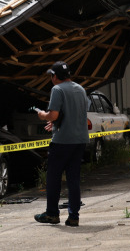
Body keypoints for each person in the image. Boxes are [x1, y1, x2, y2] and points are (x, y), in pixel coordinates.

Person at [34, 61, 89, 227]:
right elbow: (77, 114)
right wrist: (57, 122)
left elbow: (53, 115)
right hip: (80, 140)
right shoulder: (80, 89)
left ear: (55, 76)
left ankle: (52, 214)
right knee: (73, 179)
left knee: (53, 178)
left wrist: (44, 116)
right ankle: (73, 217)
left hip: (62, 141)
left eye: (51, 75)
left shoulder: (57, 89)